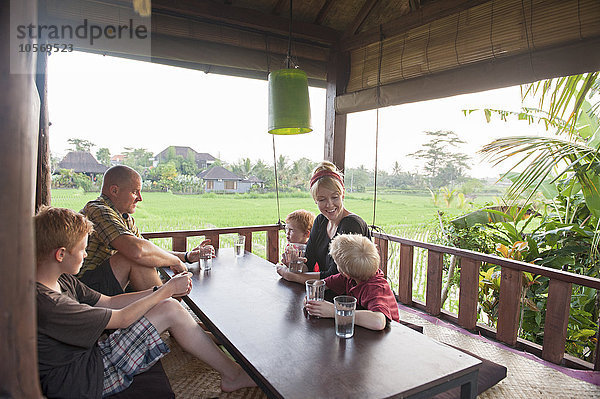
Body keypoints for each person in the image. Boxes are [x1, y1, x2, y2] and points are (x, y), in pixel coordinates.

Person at [34, 206, 255, 398]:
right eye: (82, 249)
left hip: (86, 360)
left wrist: (158, 291)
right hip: (84, 380)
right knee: (169, 308)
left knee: (167, 305)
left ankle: (228, 368)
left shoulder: (61, 280)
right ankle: (233, 375)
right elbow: (120, 318)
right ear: (61, 254)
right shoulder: (49, 303)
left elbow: (109, 302)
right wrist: (166, 291)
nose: (85, 255)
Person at [79, 165, 213, 295]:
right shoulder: (98, 210)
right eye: (134, 192)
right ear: (114, 191)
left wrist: (186, 256)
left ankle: (165, 305)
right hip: (85, 289)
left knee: (143, 258)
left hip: (109, 283)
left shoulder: (124, 217)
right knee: (132, 258)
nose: (140, 198)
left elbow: (149, 250)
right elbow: (137, 251)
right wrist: (175, 261)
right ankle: (166, 308)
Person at [277, 161, 370, 283]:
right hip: (326, 294)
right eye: (322, 199)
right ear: (315, 200)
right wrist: (294, 265)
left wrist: (290, 275)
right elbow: (308, 265)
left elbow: (336, 278)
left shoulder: (351, 224)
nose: (329, 204)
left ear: (343, 195)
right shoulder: (320, 221)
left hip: (355, 297)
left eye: (335, 197)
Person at [305, 234, 400, 330]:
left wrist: (334, 311)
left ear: (345, 272)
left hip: (390, 337)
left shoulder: (376, 288)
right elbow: (322, 284)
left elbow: (378, 322)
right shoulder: (349, 278)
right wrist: (313, 296)